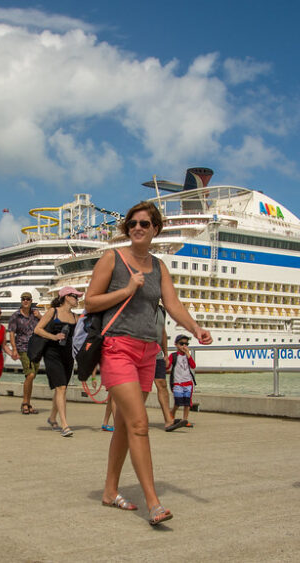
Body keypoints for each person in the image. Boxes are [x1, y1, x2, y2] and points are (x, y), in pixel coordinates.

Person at [85, 201, 211, 526]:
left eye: (144, 223)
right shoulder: (112, 259)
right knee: (140, 424)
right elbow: (90, 301)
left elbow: (173, 304)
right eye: (133, 223)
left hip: (147, 352)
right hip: (117, 349)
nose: (138, 228)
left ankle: (110, 491)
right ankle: (153, 503)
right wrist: (127, 289)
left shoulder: (159, 267)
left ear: (156, 228)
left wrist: (195, 328)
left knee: (126, 425)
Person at [34, 286, 81, 438]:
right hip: (52, 353)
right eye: (75, 296)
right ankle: (65, 425)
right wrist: (54, 337)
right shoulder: (52, 312)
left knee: (62, 388)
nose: (78, 299)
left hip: (68, 354)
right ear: (66, 297)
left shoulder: (75, 317)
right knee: (61, 387)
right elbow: (38, 329)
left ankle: (52, 418)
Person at [8, 292, 42, 415]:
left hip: (36, 348)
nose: (25, 301)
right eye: (23, 299)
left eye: (28, 299)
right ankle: (25, 403)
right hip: (23, 348)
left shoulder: (35, 314)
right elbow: (12, 333)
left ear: (31, 301)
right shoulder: (15, 316)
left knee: (31, 377)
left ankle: (28, 403)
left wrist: (40, 316)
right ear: (21, 301)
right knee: (30, 374)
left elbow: (45, 325)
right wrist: (14, 349)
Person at [153, 308, 184, 431]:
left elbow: (163, 332)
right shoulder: (140, 306)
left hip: (157, 354)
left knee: (162, 384)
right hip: (141, 352)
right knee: (138, 388)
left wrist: (165, 354)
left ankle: (168, 420)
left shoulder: (161, 310)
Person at [168, 335, 197, 427]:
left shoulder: (187, 356)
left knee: (187, 403)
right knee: (178, 402)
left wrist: (188, 354)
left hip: (188, 382)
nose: (184, 346)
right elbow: (167, 366)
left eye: (186, 344)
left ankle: (185, 419)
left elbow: (193, 366)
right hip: (177, 383)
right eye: (181, 344)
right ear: (176, 344)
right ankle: (171, 414)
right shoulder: (173, 356)